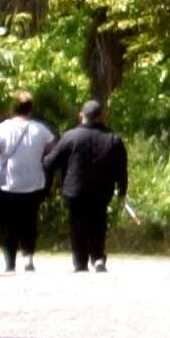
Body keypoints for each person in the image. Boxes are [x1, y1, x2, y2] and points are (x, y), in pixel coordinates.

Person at [51, 97, 130, 273]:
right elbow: (121, 170)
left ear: (81, 116)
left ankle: (80, 262)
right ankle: (98, 257)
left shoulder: (70, 136)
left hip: (74, 190)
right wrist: (122, 192)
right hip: (101, 191)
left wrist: (44, 157)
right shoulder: (113, 139)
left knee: (77, 225)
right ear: (102, 117)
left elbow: (51, 163)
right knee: (98, 223)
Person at [0, 98, 57, 267]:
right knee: (29, 220)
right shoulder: (41, 130)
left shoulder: (2, 129)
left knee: (7, 223)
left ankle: (10, 261)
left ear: (12, 108)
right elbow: (54, 152)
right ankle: (28, 256)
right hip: (33, 183)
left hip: (5, 183)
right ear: (31, 109)